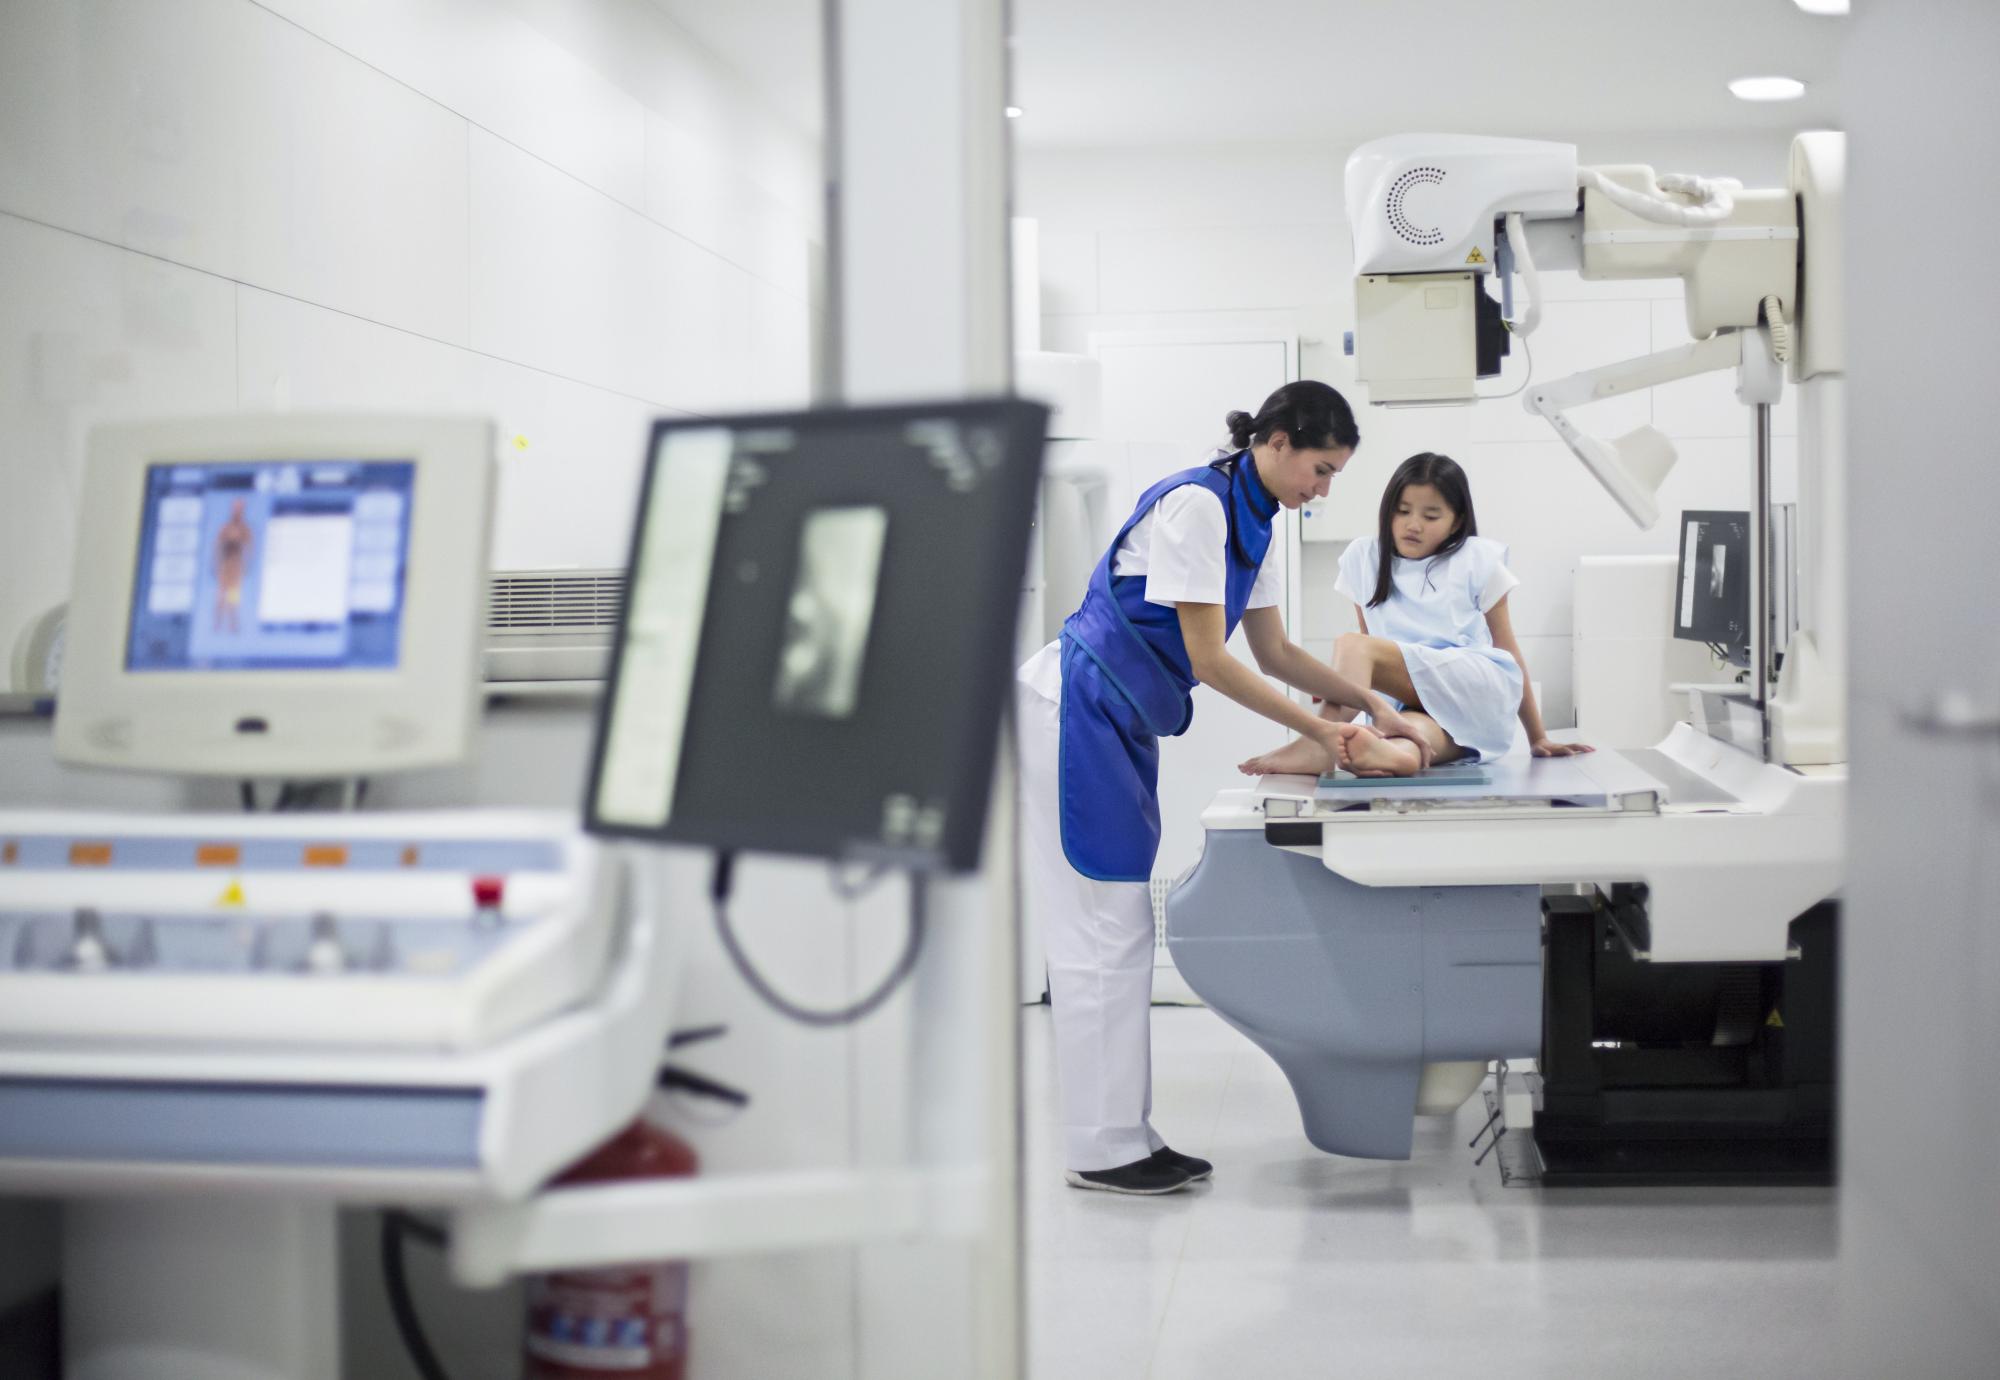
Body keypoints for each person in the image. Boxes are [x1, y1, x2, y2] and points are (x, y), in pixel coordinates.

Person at [1015, 381, 1431, 1195]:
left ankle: (1122, 1134)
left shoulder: (1255, 522)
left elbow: (1275, 654)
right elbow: (1211, 661)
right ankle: (1102, 1147)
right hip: (1075, 707)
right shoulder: (1199, 508)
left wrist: (1377, 702)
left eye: (1335, 474)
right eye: (1320, 467)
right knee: (1103, 927)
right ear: (1274, 442)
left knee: (1118, 925)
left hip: (1118, 717)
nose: (1324, 488)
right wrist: (1321, 733)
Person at [1240, 451, 1592, 779]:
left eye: (1431, 516)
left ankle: (1319, 744)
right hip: (1416, 703)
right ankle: (1391, 756)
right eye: (1403, 510)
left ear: (1456, 523)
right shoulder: (1365, 559)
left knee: (1355, 645)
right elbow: (1370, 669)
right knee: (1405, 745)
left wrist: (1537, 737)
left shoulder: (1477, 559)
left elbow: (1507, 651)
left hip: (1474, 687)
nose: (1414, 524)